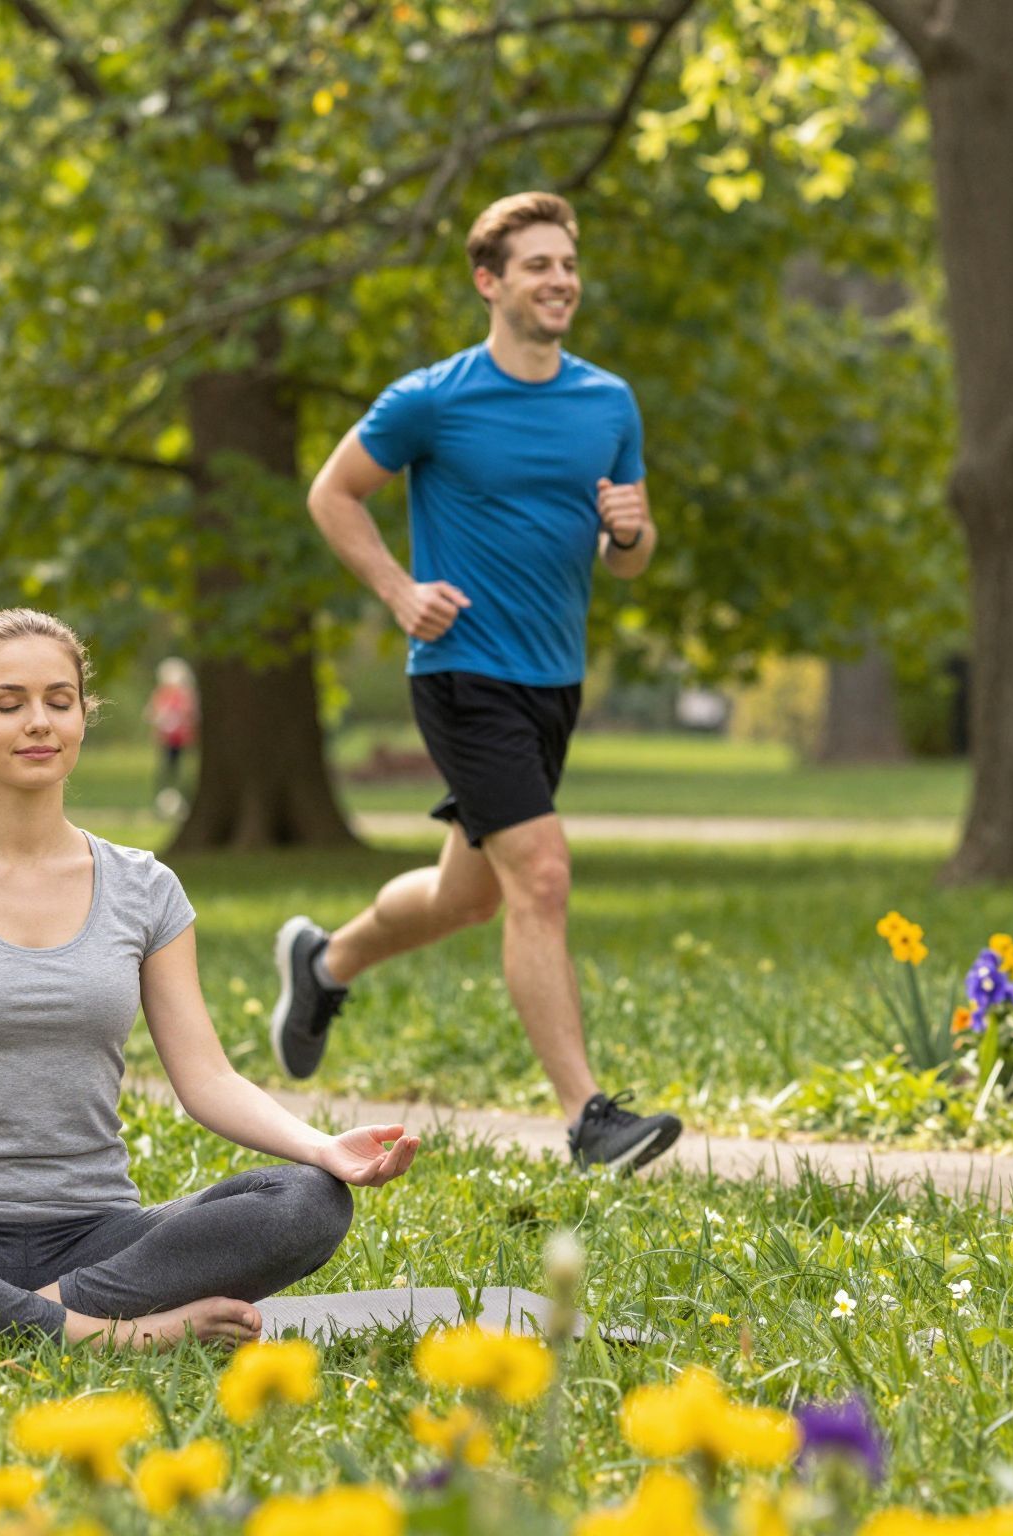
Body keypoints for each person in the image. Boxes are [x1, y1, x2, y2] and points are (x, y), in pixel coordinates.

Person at [0, 608, 418, 1352]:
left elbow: (208, 1079)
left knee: (306, 1202)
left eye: (59, 702)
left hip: (100, 1238)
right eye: (9, 704)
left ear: (83, 718)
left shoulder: (145, 888)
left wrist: (320, 1147)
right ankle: (107, 1337)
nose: (39, 723)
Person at [272, 191, 682, 1173]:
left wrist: (629, 530)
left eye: (567, 265)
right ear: (488, 281)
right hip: (461, 670)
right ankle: (590, 1119)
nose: (559, 282)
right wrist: (397, 590)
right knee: (539, 875)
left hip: (552, 680)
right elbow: (333, 494)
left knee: (470, 897)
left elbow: (628, 554)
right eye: (537, 265)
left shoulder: (605, 402)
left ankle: (323, 962)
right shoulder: (432, 399)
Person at [145, 657, 198, 816]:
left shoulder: (185, 696)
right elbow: (152, 715)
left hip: (181, 740)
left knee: (181, 773)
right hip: (167, 740)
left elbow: (190, 716)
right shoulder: (161, 695)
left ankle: (183, 803)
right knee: (166, 773)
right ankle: (162, 804)